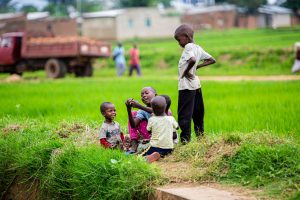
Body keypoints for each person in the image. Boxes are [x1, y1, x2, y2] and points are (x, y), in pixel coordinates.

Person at [174, 24, 216, 144]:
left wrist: (186, 71)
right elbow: (212, 60)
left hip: (186, 86)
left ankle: (185, 141)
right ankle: (201, 138)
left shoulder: (188, 47)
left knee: (184, 115)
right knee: (198, 112)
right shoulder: (198, 48)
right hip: (196, 85)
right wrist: (197, 67)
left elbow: (191, 60)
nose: (179, 43)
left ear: (186, 37)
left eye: (179, 40)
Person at [140, 96, 178, 162]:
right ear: (165, 106)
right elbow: (177, 127)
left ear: (152, 109)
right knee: (164, 152)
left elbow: (149, 131)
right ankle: (161, 155)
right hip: (169, 148)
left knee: (140, 156)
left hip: (155, 147)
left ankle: (149, 156)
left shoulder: (152, 119)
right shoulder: (171, 118)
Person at [125, 87, 157, 152]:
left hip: (161, 134)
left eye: (146, 93)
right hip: (149, 136)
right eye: (142, 95)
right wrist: (128, 109)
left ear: (155, 95)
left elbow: (157, 111)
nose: (144, 95)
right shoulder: (142, 111)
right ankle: (134, 143)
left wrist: (139, 106)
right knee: (133, 113)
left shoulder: (161, 105)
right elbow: (133, 125)